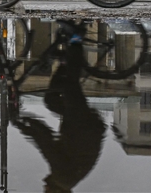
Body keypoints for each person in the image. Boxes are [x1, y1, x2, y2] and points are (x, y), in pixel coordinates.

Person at [11, 22, 106, 192]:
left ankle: (64, 63)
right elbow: (46, 142)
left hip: (83, 125)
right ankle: (76, 40)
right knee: (70, 86)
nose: (43, 187)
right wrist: (21, 121)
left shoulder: (70, 179)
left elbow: (46, 141)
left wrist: (25, 123)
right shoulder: (63, 177)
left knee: (51, 100)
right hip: (82, 125)